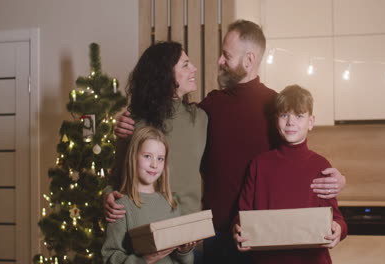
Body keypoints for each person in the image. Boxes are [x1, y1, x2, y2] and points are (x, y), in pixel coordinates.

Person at [112, 20, 346, 263]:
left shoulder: (278, 107)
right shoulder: (208, 108)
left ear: (248, 60)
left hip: (265, 238)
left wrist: (337, 179)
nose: (219, 61)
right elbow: (165, 129)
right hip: (215, 235)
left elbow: (298, 159)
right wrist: (126, 124)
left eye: (226, 55)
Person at [232, 85, 347, 264]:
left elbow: (336, 216)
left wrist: (339, 228)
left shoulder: (321, 166)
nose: (290, 122)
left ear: (311, 122)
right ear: (275, 119)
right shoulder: (259, 164)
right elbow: (243, 214)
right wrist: (237, 230)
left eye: (299, 116)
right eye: (284, 115)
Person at [105, 41, 208, 222]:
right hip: (149, 229)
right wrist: (107, 196)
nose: (194, 69)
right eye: (185, 65)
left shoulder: (200, 118)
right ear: (166, 75)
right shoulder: (134, 122)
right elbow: (116, 177)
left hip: (191, 233)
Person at [102, 127, 197, 264]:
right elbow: (109, 257)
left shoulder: (171, 203)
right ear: (133, 157)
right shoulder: (121, 205)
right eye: (147, 156)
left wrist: (184, 252)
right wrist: (145, 260)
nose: (154, 164)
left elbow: (183, 261)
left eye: (160, 159)